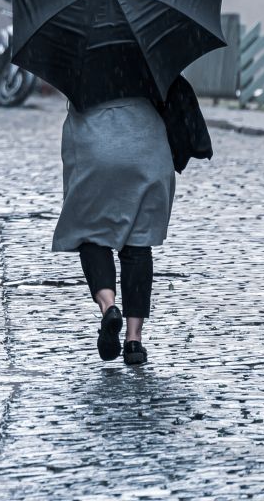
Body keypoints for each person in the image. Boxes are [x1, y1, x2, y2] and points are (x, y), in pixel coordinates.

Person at [51, 95, 175, 366]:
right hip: (146, 145)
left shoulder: (79, 64)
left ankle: (109, 307)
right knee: (138, 243)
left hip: (95, 145)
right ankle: (134, 341)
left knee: (91, 233)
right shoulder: (147, 59)